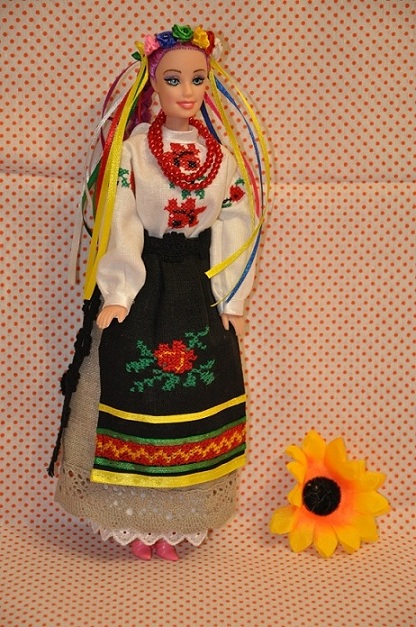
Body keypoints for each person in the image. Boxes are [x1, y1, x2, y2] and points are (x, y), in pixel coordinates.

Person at [49, 24, 270, 561]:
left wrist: (232, 298)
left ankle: (178, 523)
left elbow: (236, 221)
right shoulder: (133, 151)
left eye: (197, 79)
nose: (186, 91)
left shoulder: (221, 156)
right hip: (144, 284)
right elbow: (120, 219)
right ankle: (133, 525)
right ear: (152, 82)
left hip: (197, 287)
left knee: (196, 402)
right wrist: (119, 290)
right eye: (173, 79)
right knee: (129, 392)